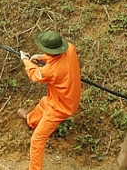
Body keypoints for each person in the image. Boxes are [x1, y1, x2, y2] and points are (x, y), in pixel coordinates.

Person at [18, 30, 81, 170]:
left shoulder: (50, 71)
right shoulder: (70, 48)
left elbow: (35, 74)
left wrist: (25, 60)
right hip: (69, 97)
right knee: (43, 101)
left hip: (59, 108)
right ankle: (31, 120)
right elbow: (57, 58)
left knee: (37, 140)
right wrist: (41, 57)